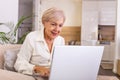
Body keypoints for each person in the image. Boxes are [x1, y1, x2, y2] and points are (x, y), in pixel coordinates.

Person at [14, 7, 66, 80]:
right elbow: (19, 64)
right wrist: (36, 68)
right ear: (44, 23)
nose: (57, 29)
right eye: (53, 24)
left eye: (60, 25)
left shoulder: (61, 40)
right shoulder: (32, 38)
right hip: (37, 77)